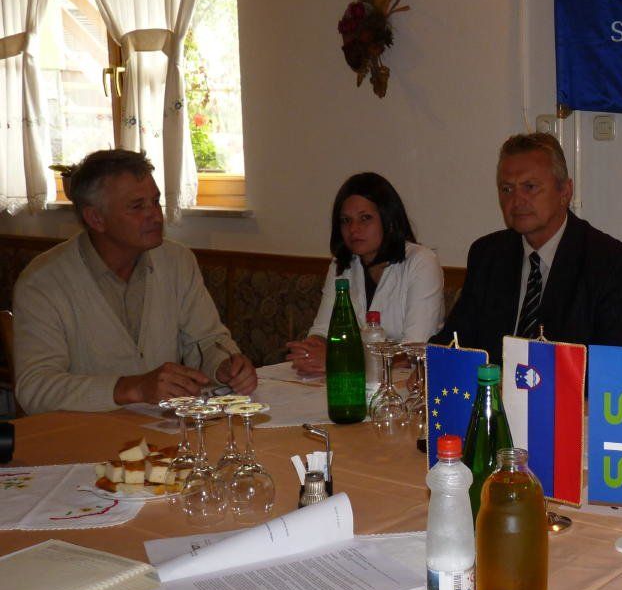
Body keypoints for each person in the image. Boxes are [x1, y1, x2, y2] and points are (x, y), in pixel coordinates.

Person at [13, 149, 255, 414]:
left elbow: (208, 340)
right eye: (137, 206)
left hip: (163, 428)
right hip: (84, 432)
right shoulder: (43, 281)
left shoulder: (176, 261)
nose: (156, 216)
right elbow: (35, 387)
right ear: (96, 218)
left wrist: (224, 366)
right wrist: (132, 388)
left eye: (156, 201)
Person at [430, 132, 622, 362]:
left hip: (570, 386)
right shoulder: (487, 255)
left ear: (565, 192)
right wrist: (424, 361)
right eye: (507, 189)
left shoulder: (609, 263)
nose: (516, 201)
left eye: (530, 187)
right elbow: (453, 342)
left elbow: (618, 364)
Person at [286, 173, 443, 375]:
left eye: (365, 218)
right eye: (346, 220)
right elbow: (324, 330)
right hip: (357, 377)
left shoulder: (421, 261)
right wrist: (309, 350)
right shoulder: (341, 264)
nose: (353, 229)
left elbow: (413, 352)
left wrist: (338, 358)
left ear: (388, 220)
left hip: (407, 381)